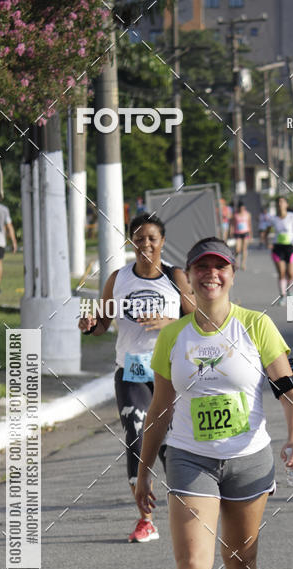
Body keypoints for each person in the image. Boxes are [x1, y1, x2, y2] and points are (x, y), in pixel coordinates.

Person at [135, 237, 293, 569]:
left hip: (249, 458)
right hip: (190, 458)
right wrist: (144, 472)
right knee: (194, 562)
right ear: (188, 276)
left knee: (241, 560)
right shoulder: (174, 336)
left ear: (232, 274)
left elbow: (289, 387)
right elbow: (159, 408)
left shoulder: (256, 325)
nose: (211, 274)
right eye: (202, 267)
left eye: (220, 266)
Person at [78, 212, 195, 543]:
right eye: (139, 238)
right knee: (135, 434)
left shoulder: (175, 277)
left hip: (169, 372)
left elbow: (200, 320)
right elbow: (102, 323)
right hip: (130, 369)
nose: (145, 244)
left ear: (162, 242)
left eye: (152, 238)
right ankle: (145, 520)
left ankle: (186, 506)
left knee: (172, 443)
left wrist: (168, 323)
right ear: (131, 242)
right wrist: (90, 325)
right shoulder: (118, 278)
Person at [266, 197, 293, 305]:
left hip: (290, 247)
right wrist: (267, 243)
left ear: (286, 204)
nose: (280, 204)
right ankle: (283, 296)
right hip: (278, 248)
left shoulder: (292, 216)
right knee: (281, 273)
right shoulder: (273, 219)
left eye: (282, 202)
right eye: (278, 202)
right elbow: (266, 232)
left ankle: (289, 289)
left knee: (290, 273)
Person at [229, 201, 252, 270]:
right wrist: (231, 231)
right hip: (237, 233)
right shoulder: (235, 215)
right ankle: (236, 262)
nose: (242, 210)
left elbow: (249, 224)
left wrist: (251, 235)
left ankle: (243, 264)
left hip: (245, 232)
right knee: (237, 249)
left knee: (244, 249)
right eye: (240, 208)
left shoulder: (247, 214)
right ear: (238, 208)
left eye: (243, 208)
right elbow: (232, 224)